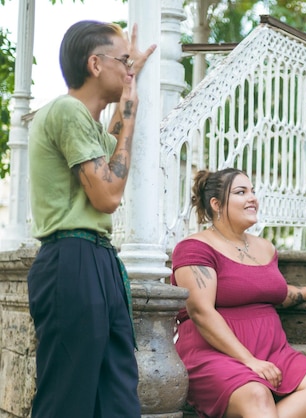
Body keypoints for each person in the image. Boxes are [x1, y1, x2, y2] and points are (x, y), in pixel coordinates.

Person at [26, 21, 156, 417]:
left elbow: (112, 150)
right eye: (123, 62)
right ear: (95, 64)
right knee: (67, 399)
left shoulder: (87, 122)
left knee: (116, 397)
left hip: (96, 260)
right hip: (71, 260)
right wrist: (130, 107)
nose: (129, 69)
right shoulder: (66, 110)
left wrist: (129, 93)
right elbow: (107, 194)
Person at [170, 168, 306, 418]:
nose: (252, 198)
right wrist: (249, 360)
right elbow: (200, 312)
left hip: (273, 350)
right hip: (214, 352)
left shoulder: (265, 247)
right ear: (216, 204)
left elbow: (276, 293)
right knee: (257, 397)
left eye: (252, 191)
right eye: (241, 192)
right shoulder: (194, 248)